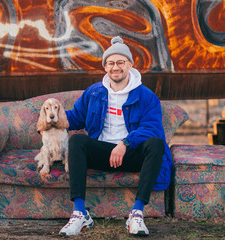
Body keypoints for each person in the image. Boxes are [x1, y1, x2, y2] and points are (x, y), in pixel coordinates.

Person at [58, 36, 172, 236]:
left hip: (131, 154)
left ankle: (136, 214)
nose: (115, 67)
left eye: (120, 62)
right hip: (103, 153)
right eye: (110, 63)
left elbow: (151, 127)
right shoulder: (94, 93)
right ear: (105, 67)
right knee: (77, 140)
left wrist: (125, 143)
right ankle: (80, 213)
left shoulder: (146, 96)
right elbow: (76, 118)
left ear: (129, 64)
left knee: (156, 143)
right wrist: (50, 120)